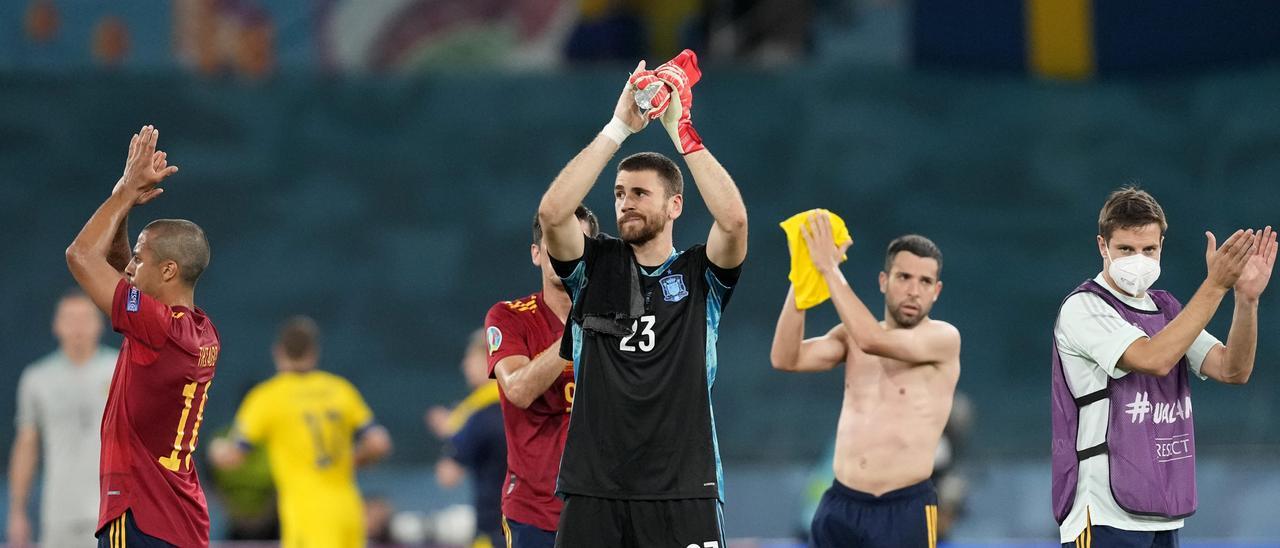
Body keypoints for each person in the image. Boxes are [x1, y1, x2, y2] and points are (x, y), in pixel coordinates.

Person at [536, 49, 749, 547]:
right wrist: (618, 127)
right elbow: (552, 214)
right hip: (595, 488)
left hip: (684, 487)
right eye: (618, 193)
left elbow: (735, 222)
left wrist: (681, 131)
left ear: (675, 205)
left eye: (639, 193)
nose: (625, 202)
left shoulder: (701, 275)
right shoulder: (592, 267)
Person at [1051, 187, 1276, 547]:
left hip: (1160, 505)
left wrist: (1245, 300)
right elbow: (1153, 359)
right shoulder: (1084, 307)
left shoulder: (1167, 309)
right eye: (1126, 249)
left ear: (1161, 247)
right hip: (1104, 510)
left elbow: (1233, 370)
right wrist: (1215, 285)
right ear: (1102, 246)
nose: (1138, 259)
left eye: (1149, 249)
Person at [65, 124, 221, 547]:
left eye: (140, 258)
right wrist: (124, 200)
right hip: (181, 522)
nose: (130, 268)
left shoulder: (157, 329)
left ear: (168, 270)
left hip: (140, 516)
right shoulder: (200, 331)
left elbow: (80, 256)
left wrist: (126, 193)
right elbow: (117, 269)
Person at [770, 212, 960, 548]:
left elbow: (872, 340)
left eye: (925, 282)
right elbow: (786, 357)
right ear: (884, 281)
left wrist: (829, 268)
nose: (914, 291)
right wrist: (801, 279)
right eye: (904, 277)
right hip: (841, 504)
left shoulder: (943, 339)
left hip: (905, 508)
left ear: (937, 291)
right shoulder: (849, 336)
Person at [209, 316, 393, 548]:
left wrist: (216, 450)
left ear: (277, 351)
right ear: (314, 351)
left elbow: (233, 456)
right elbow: (380, 442)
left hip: (307, 515)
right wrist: (354, 459)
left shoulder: (267, 397)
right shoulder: (339, 389)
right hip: (348, 510)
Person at [484, 207, 599, 548]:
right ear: (536, 253)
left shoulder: (619, 321)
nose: (565, 251)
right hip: (534, 514)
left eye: (576, 242)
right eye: (555, 242)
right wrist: (579, 324)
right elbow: (518, 388)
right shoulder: (508, 317)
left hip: (604, 509)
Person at [8, 291, 117, 546]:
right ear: (56, 325)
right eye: (70, 318)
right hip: (58, 513)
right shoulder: (37, 378)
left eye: (85, 318)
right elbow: (27, 446)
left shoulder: (120, 369)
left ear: (100, 324)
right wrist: (17, 511)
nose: (78, 326)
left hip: (112, 511)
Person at [427, 330, 507, 548]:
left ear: (488, 361)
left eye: (470, 358)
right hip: (534, 529)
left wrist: (454, 436)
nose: (464, 365)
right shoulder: (524, 403)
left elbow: (447, 476)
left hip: (493, 531)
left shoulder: (478, 415)